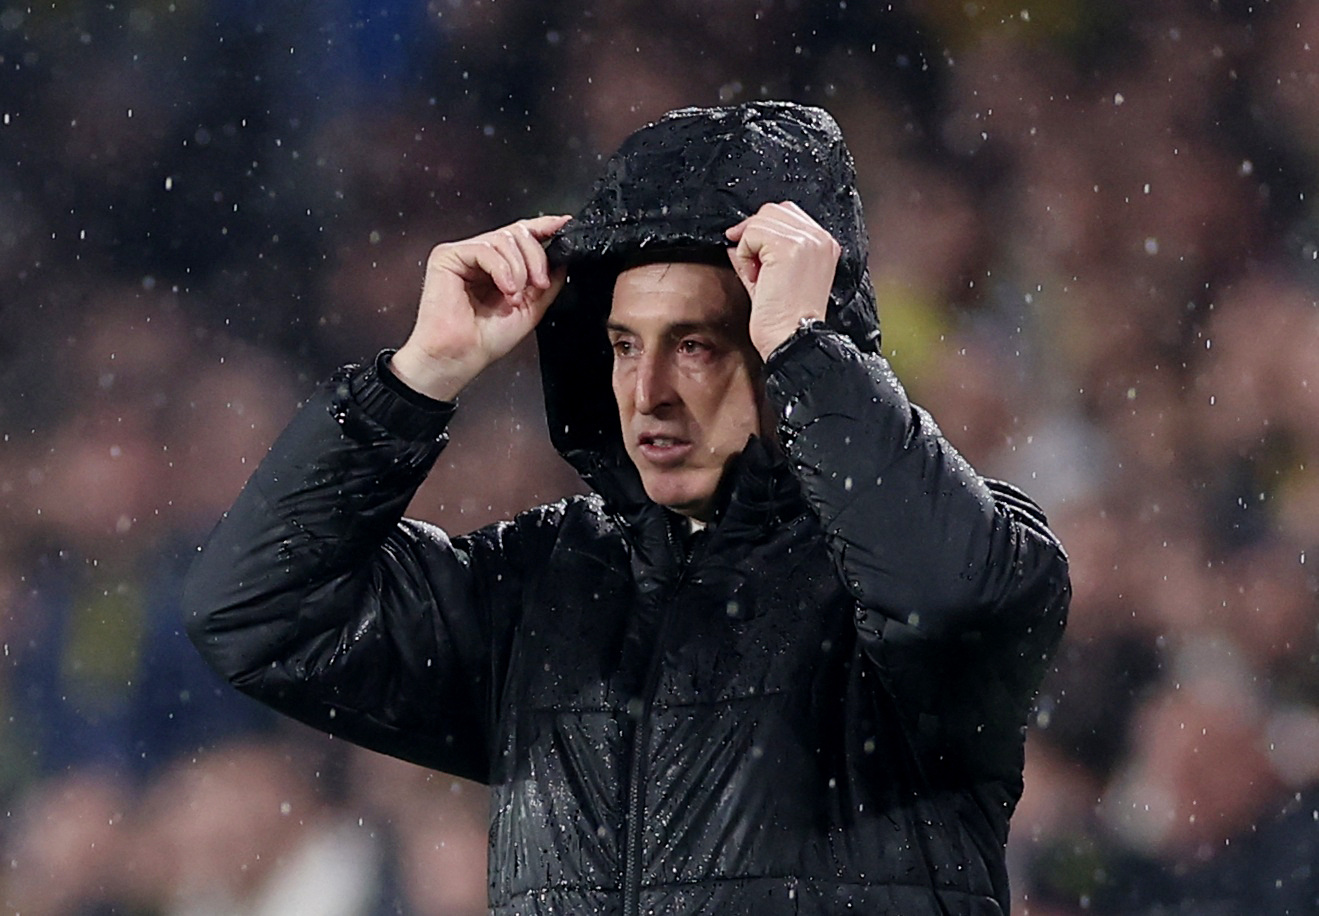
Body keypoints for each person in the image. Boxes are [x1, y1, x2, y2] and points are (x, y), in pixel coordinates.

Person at [185, 101, 1070, 915]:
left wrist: (809, 347)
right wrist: (417, 379)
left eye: (695, 345)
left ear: (778, 339)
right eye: (619, 345)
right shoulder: (539, 587)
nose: (645, 393)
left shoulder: (950, 562)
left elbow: (951, 596)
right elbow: (256, 615)